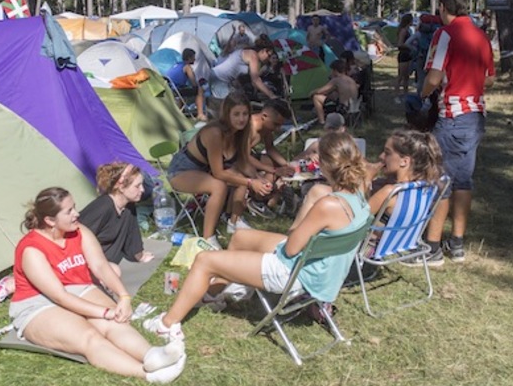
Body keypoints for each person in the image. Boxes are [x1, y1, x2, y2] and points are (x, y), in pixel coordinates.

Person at [141, 132, 371, 342]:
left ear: (324, 164)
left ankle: (166, 325)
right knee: (240, 237)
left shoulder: (328, 205)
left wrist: (305, 213)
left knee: (204, 260)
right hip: (321, 269)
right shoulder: (359, 194)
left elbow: (291, 248)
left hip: (296, 274)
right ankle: (215, 294)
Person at [9, 187, 186, 383]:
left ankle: (152, 355)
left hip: (76, 288)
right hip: (37, 304)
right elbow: (60, 296)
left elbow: (100, 265)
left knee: (116, 322)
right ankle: (148, 374)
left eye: (74, 207)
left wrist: (123, 296)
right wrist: (104, 312)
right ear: (50, 221)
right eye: (69, 211)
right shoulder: (32, 250)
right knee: (89, 337)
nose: (77, 214)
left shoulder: (79, 231)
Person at [409, 0, 495, 266]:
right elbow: (490, 79)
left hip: (452, 116)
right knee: (463, 180)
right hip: (475, 116)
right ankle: (456, 243)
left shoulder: (444, 34)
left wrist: (423, 95)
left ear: (443, 6)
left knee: (439, 179)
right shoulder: (481, 35)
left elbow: (434, 77)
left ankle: (432, 248)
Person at [167, 93, 270, 245]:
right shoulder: (215, 133)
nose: (241, 119)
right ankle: (208, 239)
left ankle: (234, 223)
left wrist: (259, 179)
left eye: (245, 114)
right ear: (227, 114)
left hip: (203, 172)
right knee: (219, 186)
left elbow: (243, 162)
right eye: (236, 114)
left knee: (240, 177)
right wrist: (250, 183)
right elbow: (218, 173)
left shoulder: (240, 134)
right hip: (181, 171)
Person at [79, 162, 154, 270]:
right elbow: (77, 237)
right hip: (89, 263)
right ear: (121, 187)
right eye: (137, 186)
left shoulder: (128, 206)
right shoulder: (103, 207)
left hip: (107, 260)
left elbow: (132, 234)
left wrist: (139, 255)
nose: (142, 189)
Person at [367, 129, 443, 221]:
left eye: (387, 153)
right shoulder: (424, 188)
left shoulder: (389, 192)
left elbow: (357, 224)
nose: (381, 156)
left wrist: (367, 179)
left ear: (404, 161)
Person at [210, 35, 277, 103]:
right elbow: (255, 80)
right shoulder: (253, 55)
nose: (268, 58)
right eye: (269, 55)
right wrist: (272, 95)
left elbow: (247, 80)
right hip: (219, 80)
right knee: (230, 104)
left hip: (218, 77)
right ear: (263, 51)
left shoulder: (249, 52)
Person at [309, 60, 358, 124]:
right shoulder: (350, 80)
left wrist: (312, 92)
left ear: (335, 70)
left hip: (343, 109)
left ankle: (322, 121)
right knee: (333, 96)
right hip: (354, 108)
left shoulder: (336, 80)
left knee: (316, 97)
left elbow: (321, 91)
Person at [165, 48, 206, 121]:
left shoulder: (177, 64)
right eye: (193, 57)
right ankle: (200, 114)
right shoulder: (187, 67)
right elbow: (194, 83)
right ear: (189, 58)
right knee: (200, 90)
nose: (195, 59)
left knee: (184, 90)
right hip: (176, 90)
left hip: (169, 89)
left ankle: (179, 113)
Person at [394, 13, 414, 101]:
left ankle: (406, 94)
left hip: (408, 54)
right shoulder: (403, 31)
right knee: (401, 76)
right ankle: (396, 95)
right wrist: (409, 46)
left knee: (406, 77)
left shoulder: (408, 30)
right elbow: (399, 44)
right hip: (403, 54)